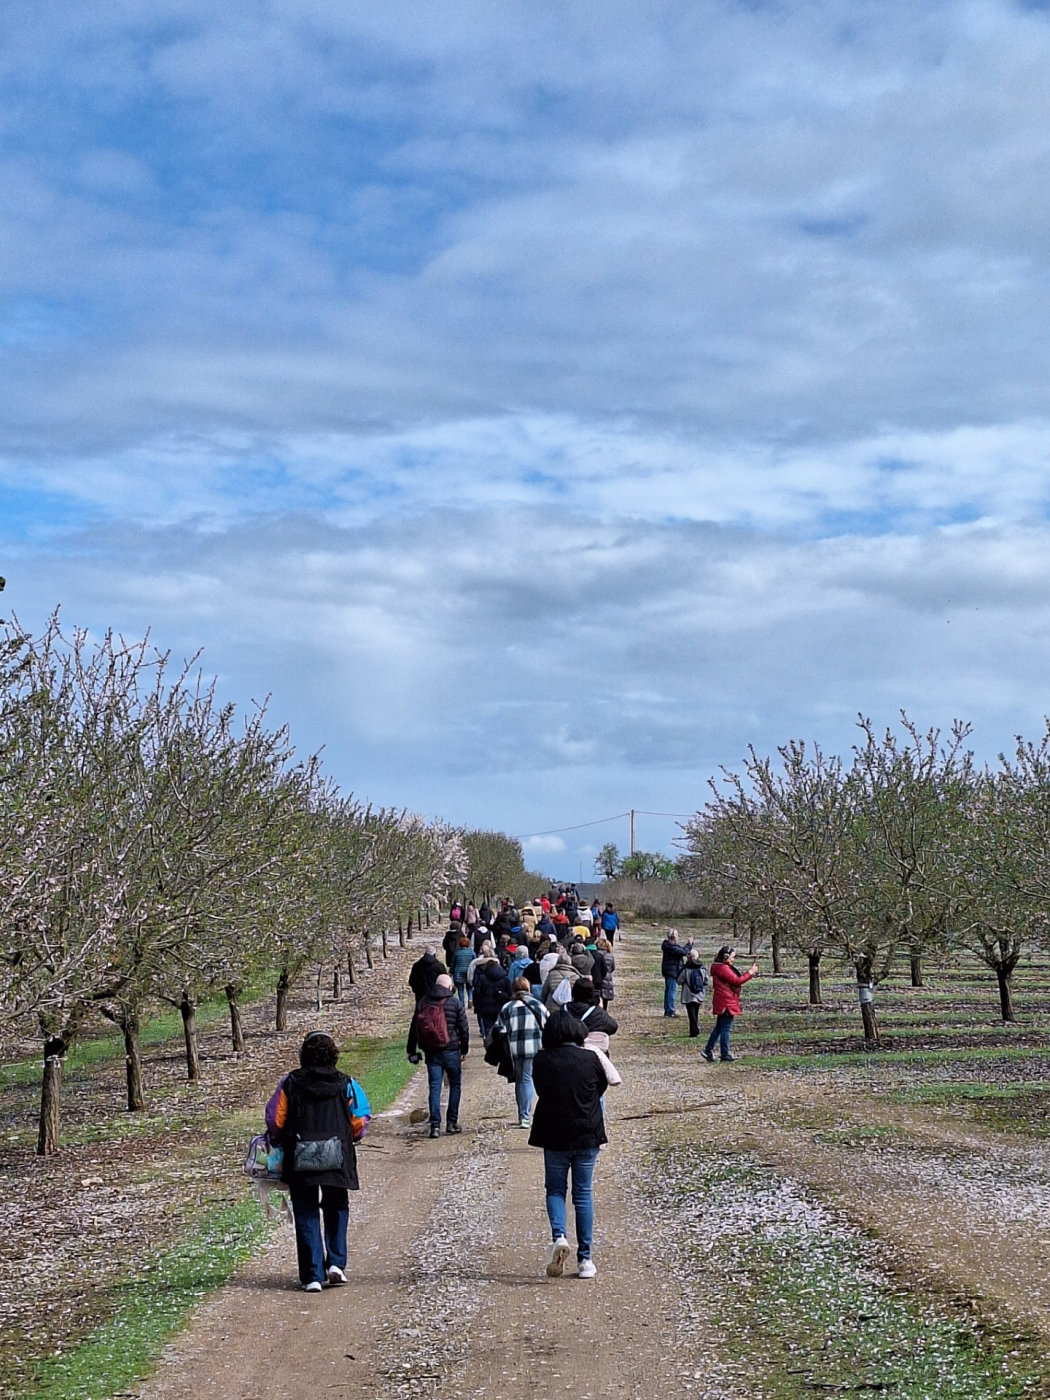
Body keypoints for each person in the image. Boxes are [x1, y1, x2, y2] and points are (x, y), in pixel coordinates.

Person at [265, 1031, 360, 1292]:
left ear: (303, 1055)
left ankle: (311, 1276)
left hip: (300, 1157)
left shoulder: (290, 1082)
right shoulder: (347, 1083)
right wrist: (353, 1136)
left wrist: (276, 1139)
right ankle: (336, 1264)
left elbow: (275, 1119)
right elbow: (360, 1118)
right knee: (337, 1207)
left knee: (306, 1212)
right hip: (337, 1156)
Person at [529, 1009, 608, 1281]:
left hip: (553, 1134)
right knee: (583, 1194)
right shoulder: (590, 1058)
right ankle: (585, 1259)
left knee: (554, 1189)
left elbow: (540, 1090)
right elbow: (600, 1089)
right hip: (587, 1133)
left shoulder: (541, 1060)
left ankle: (559, 1236)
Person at [407, 973, 470, 1136]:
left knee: (435, 1087)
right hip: (451, 1050)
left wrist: (411, 1050)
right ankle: (451, 1122)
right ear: (449, 987)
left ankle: (435, 1125)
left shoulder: (423, 1002)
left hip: (431, 1052)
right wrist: (464, 1049)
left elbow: (414, 1028)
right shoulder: (454, 1003)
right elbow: (463, 1028)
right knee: (455, 1085)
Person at [496, 976, 549, 1127]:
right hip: (534, 1049)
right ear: (528, 988)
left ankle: (523, 1114)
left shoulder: (507, 1008)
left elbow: (499, 1029)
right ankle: (525, 1115)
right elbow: (548, 1026)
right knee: (527, 1079)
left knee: (519, 1081)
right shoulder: (539, 1006)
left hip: (514, 1050)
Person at [703, 946, 758, 1063]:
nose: (733, 960)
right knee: (725, 1029)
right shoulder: (723, 968)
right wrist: (750, 973)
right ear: (726, 957)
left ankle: (708, 1050)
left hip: (723, 1001)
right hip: (726, 1002)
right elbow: (736, 981)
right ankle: (724, 1054)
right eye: (732, 957)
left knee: (719, 1027)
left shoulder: (720, 967)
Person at [471, 950, 512, 1038]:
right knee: (499, 1025)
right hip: (500, 1005)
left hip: (485, 1006)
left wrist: (476, 1004)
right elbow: (510, 991)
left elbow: (476, 992)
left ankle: (489, 1043)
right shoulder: (504, 977)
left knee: (487, 1026)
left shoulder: (482, 978)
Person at [660, 929, 692, 1017]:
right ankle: (670, 1011)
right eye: (677, 935)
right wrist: (689, 945)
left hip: (670, 971)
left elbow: (681, 950)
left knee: (669, 991)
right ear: (673, 937)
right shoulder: (671, 947)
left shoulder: (670, 945)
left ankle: (668, 1010)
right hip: (672, 972)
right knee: (671, 992)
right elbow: (682, 952)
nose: (678, 937)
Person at [678, 948, 709, 1038]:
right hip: (699, 994)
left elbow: (679, 980)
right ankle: (695, 1028)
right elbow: (706, 981)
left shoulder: (686, 969)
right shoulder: (702, 968)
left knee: (690, 1013)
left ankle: (694, 1030)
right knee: (695, 1012)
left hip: (688, 994)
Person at [450, 935, 475, 1007]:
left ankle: (461, 1003)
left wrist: (451, 972)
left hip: (459, 972)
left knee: (460, 989)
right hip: (469, 972)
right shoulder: (471, 953)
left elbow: (453, 963)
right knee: (469, 987)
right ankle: (470, 999)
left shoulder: (457, 953)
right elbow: (475, 962)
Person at [594, 936, 615, 1009]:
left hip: (597, 977)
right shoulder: (610, 956)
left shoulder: (595, 954)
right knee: (605, 998)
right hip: (607, 978)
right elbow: (612, 968)